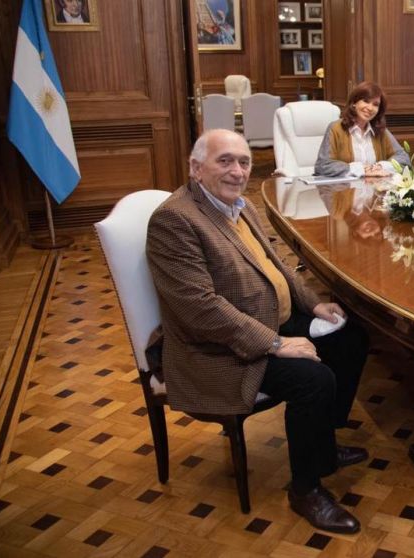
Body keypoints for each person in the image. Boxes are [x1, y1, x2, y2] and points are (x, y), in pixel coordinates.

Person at [146, 129, 371, 534]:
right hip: (217, 348)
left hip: (268, 319)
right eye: (225, 161)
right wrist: (276, 343)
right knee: (313, 379)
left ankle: (323, 446)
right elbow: (200, 310)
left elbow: (277, 266)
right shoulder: (175, 220)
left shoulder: (240, 204)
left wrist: (313, 305)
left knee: (351, 339)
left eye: (244, 162)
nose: (237, 171)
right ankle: (306, 490)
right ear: (196, 168)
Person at [314, 81, 410, 178]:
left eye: (375, 104)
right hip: (345, 187)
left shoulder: (380, 130)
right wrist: (361, 170)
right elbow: (322, 166)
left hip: (376, 186)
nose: (370, 108)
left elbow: (404, 158)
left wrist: (381, 166)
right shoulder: (336, 129)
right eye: (366, 101)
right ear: (354, 102)